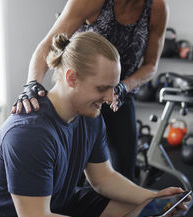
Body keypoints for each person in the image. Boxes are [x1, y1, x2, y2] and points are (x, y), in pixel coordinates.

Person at [0, 32, 187, 217]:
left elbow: (103, 178)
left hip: (57, 201)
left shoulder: (90, 116)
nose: (110, 97)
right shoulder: (29, 132)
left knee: (140, 212)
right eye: (102, 88)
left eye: (113, 87)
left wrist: (153, 197)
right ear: (72, 78)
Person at [12, 0, 168, 183]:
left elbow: (151, 65)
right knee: (72, 175)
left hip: (119, 97)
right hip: (81, 98)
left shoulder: (157, 7)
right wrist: (32, 84)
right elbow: (48, 45)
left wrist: (122, 87)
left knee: (125, 171)